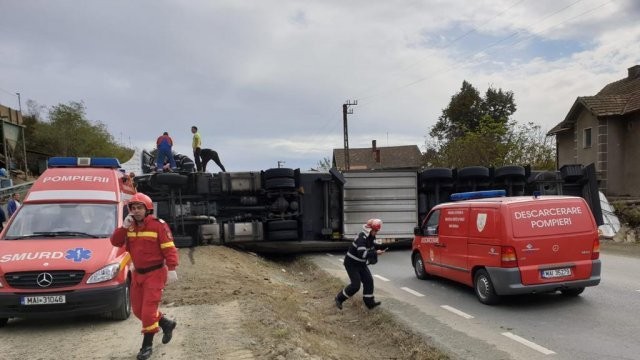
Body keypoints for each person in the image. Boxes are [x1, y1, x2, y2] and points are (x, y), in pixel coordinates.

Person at [110, 193, 179, 360]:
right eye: (133, 208)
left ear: (147, 209)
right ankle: (165, 323)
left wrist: (172, 268)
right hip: (138, 274)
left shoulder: (158, 226)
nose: (136, 211)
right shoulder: (130, 227)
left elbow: (169, 248)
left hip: (155, 273)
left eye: (139, 208)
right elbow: (115, 242)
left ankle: (146, 346)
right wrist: (123, 228)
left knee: (148, 313)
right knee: (138, 311)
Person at [334, 218, 386, 310]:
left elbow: (371, 249)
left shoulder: (371, 237)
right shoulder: (362, 238)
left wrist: (375, 255)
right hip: (351, 264)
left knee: (369, 281)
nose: (376, 232)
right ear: (370, 230)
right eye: (375, 230)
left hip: (361, 264)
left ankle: (369, 303)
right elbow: (362, 254)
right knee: (355, 285)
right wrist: (375, 253)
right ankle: (339, 298)